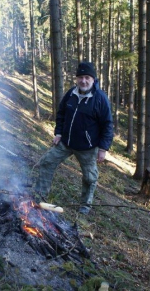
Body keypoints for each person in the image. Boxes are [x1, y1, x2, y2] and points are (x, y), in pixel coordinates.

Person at [35, 62, 114, 215]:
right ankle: (40, 195)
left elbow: (108, 125)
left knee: (90, 178)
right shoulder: (71, 93)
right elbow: (61, 113)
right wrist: (58, 133)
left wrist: (103, 148)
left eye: (87, 77)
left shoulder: (100, 99)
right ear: (76, 79)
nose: (83, 81)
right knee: (46, 162)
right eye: (80, 77)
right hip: (66, 142)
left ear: (93, 79)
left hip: (87, 147)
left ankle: (85, 205)